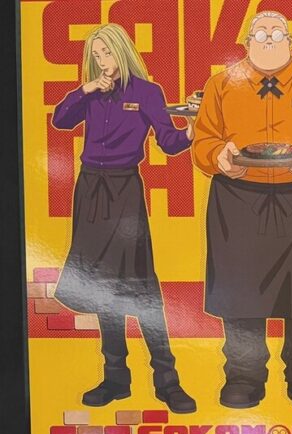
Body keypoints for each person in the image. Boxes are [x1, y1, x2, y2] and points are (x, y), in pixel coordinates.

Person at [192, 10, 292, 409]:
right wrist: (218, 156)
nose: (268, 39)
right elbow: (203, 141)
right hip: (238, 197)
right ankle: (243, 376)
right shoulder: (220, 85)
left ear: (291, 42)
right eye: (260, 33)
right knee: (241, 292)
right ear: (246, 42)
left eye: (277, 33)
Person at [52, 23, 197, 413]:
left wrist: (192, 130)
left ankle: (167, 381)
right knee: (102, 286)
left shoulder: (148, 92)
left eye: (107, 52)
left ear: (122, 50)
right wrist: (85, 89)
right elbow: (61, 120)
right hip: (89, 190)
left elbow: (168, 142)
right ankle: (115, 378)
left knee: (141, 285)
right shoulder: (91, 93)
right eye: (96, 54)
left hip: (125, 190)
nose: (102, 60)